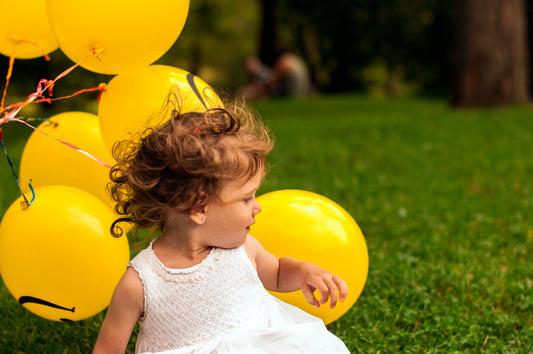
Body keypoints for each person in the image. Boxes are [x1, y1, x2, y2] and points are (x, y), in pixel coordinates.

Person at [93, 98, 350, 353]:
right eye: (246, 198)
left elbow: (278, 272)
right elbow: (108, 349)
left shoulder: (243, 249)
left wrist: (306, 272)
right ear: (199, 208)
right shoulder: (140, 283)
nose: (257, 207)